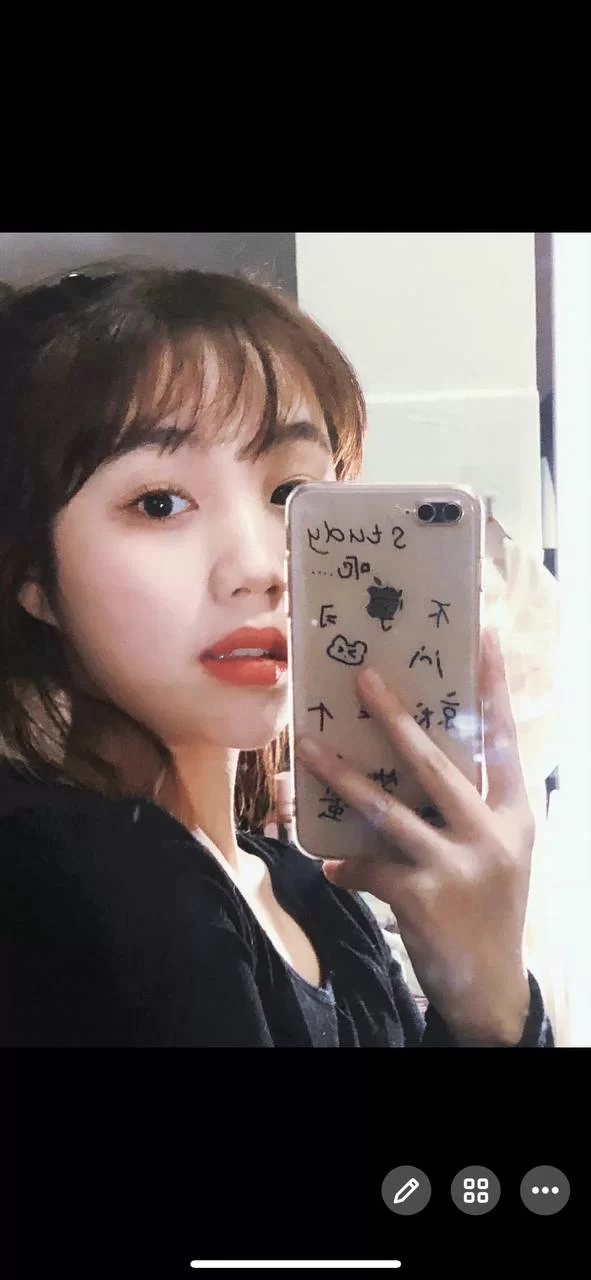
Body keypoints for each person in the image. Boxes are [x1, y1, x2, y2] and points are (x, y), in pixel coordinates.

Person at [0, 266, 552, 1047]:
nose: (262, 566)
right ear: (32, 577)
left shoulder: (310, 891)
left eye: (291, 495)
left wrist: (488, 1002)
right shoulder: (70, 880)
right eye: (159, 503)